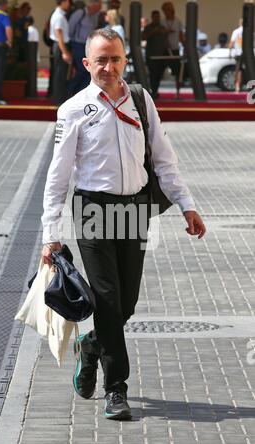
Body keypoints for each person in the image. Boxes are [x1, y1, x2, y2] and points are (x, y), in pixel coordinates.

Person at [41, 28, 206, 420]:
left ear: (125, 61)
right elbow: (57, 176)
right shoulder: (73, 109)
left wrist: (187, 204)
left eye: (115, 59)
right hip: (93, 210)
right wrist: (51, 234)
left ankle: (92, 345)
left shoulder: (141, 100)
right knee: (108, 298)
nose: (109, 67)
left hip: (134, 209)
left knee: (126, 302)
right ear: (87, 64)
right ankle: (117, 388)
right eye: (101, 60)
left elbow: (164, 159)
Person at [68, 0, 102, 95]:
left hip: (89, 46)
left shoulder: (95, 16)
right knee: (82, 69)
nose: (98, 10)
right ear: (92, 6)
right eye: (98, 8)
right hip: (78, 45)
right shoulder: (80, 13)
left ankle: (82, 93)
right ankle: (71, 91)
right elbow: (70, 29)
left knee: (89, 70)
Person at [49, 0, 72, 106]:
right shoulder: (58, 16)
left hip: (59, 45)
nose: (69, 4)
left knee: (60, 74)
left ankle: (59, 98)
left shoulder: (59, 14)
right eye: (67, 1)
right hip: (60, 46)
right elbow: (59, 34)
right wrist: (64, 52)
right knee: (59, 74)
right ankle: (59, 100)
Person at [142, 10, 169, 99]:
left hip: (161, 55)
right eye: (155, 17)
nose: (157, 18)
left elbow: (165, 40)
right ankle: (153, 91)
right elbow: (143, 37)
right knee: (152, 74)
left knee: (158, 74)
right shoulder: (148, 27)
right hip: (151, 55)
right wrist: (153, 32)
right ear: (152, 17)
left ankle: (155, 90)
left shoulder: (162, 27)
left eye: (158, 17)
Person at [161, 1, 184, 89]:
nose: (165, 13)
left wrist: (185, 46)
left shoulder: (178, 21)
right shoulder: (162, 21)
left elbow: (181, 36)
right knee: (160, 70)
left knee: (177, 71)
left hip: (175, 49)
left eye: (167, 10)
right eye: (164, 11)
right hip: (164, 50)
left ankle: (178, 90)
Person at [229, 19, 244, 93]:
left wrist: (229, 52)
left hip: (238, 53)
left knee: (238, 70)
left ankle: (237, 86)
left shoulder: (236, 31)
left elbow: (231, 43)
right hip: (248, 54)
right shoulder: (250, 32)